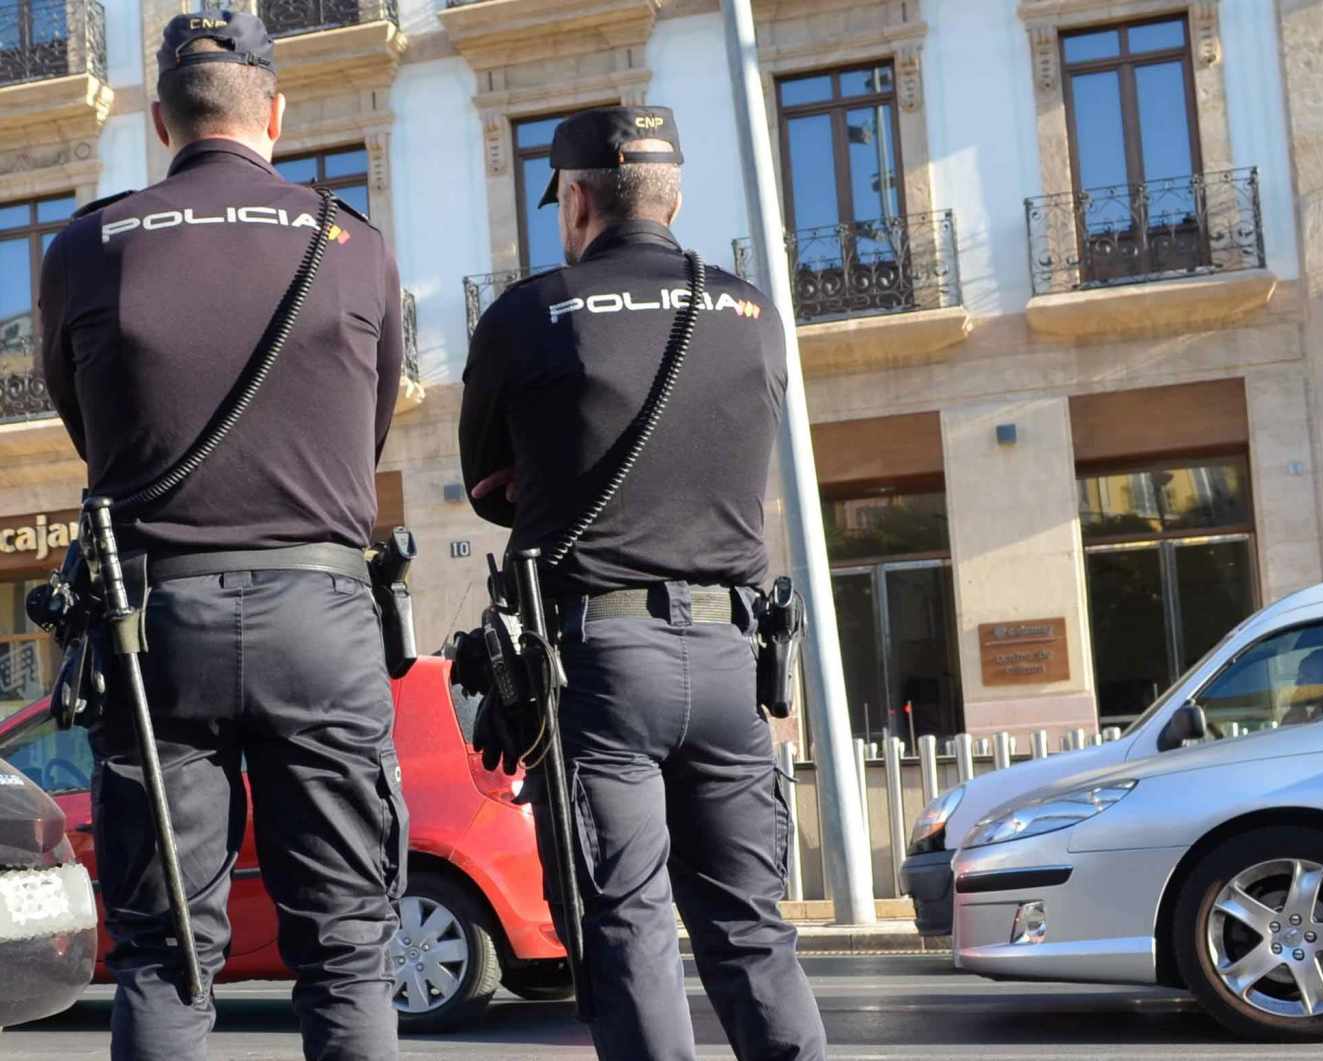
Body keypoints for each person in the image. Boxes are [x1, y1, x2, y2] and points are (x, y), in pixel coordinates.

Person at [39, 12, 407, 1061]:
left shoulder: (86, 244)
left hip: (156, 623)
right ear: (276, 115)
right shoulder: (354, 244)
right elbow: (365, 429)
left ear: (161, 121)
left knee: (164, 955)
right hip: (322, 616)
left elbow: (91, 424)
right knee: (348, 951)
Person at [457, 105, 827, 1061]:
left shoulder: (528, 315)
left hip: (602, 658)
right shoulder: (753, 316)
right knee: (750, 925)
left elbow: (490, 484)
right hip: (731, 658)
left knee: (628, 926)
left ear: (576, 200)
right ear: (674, 195)